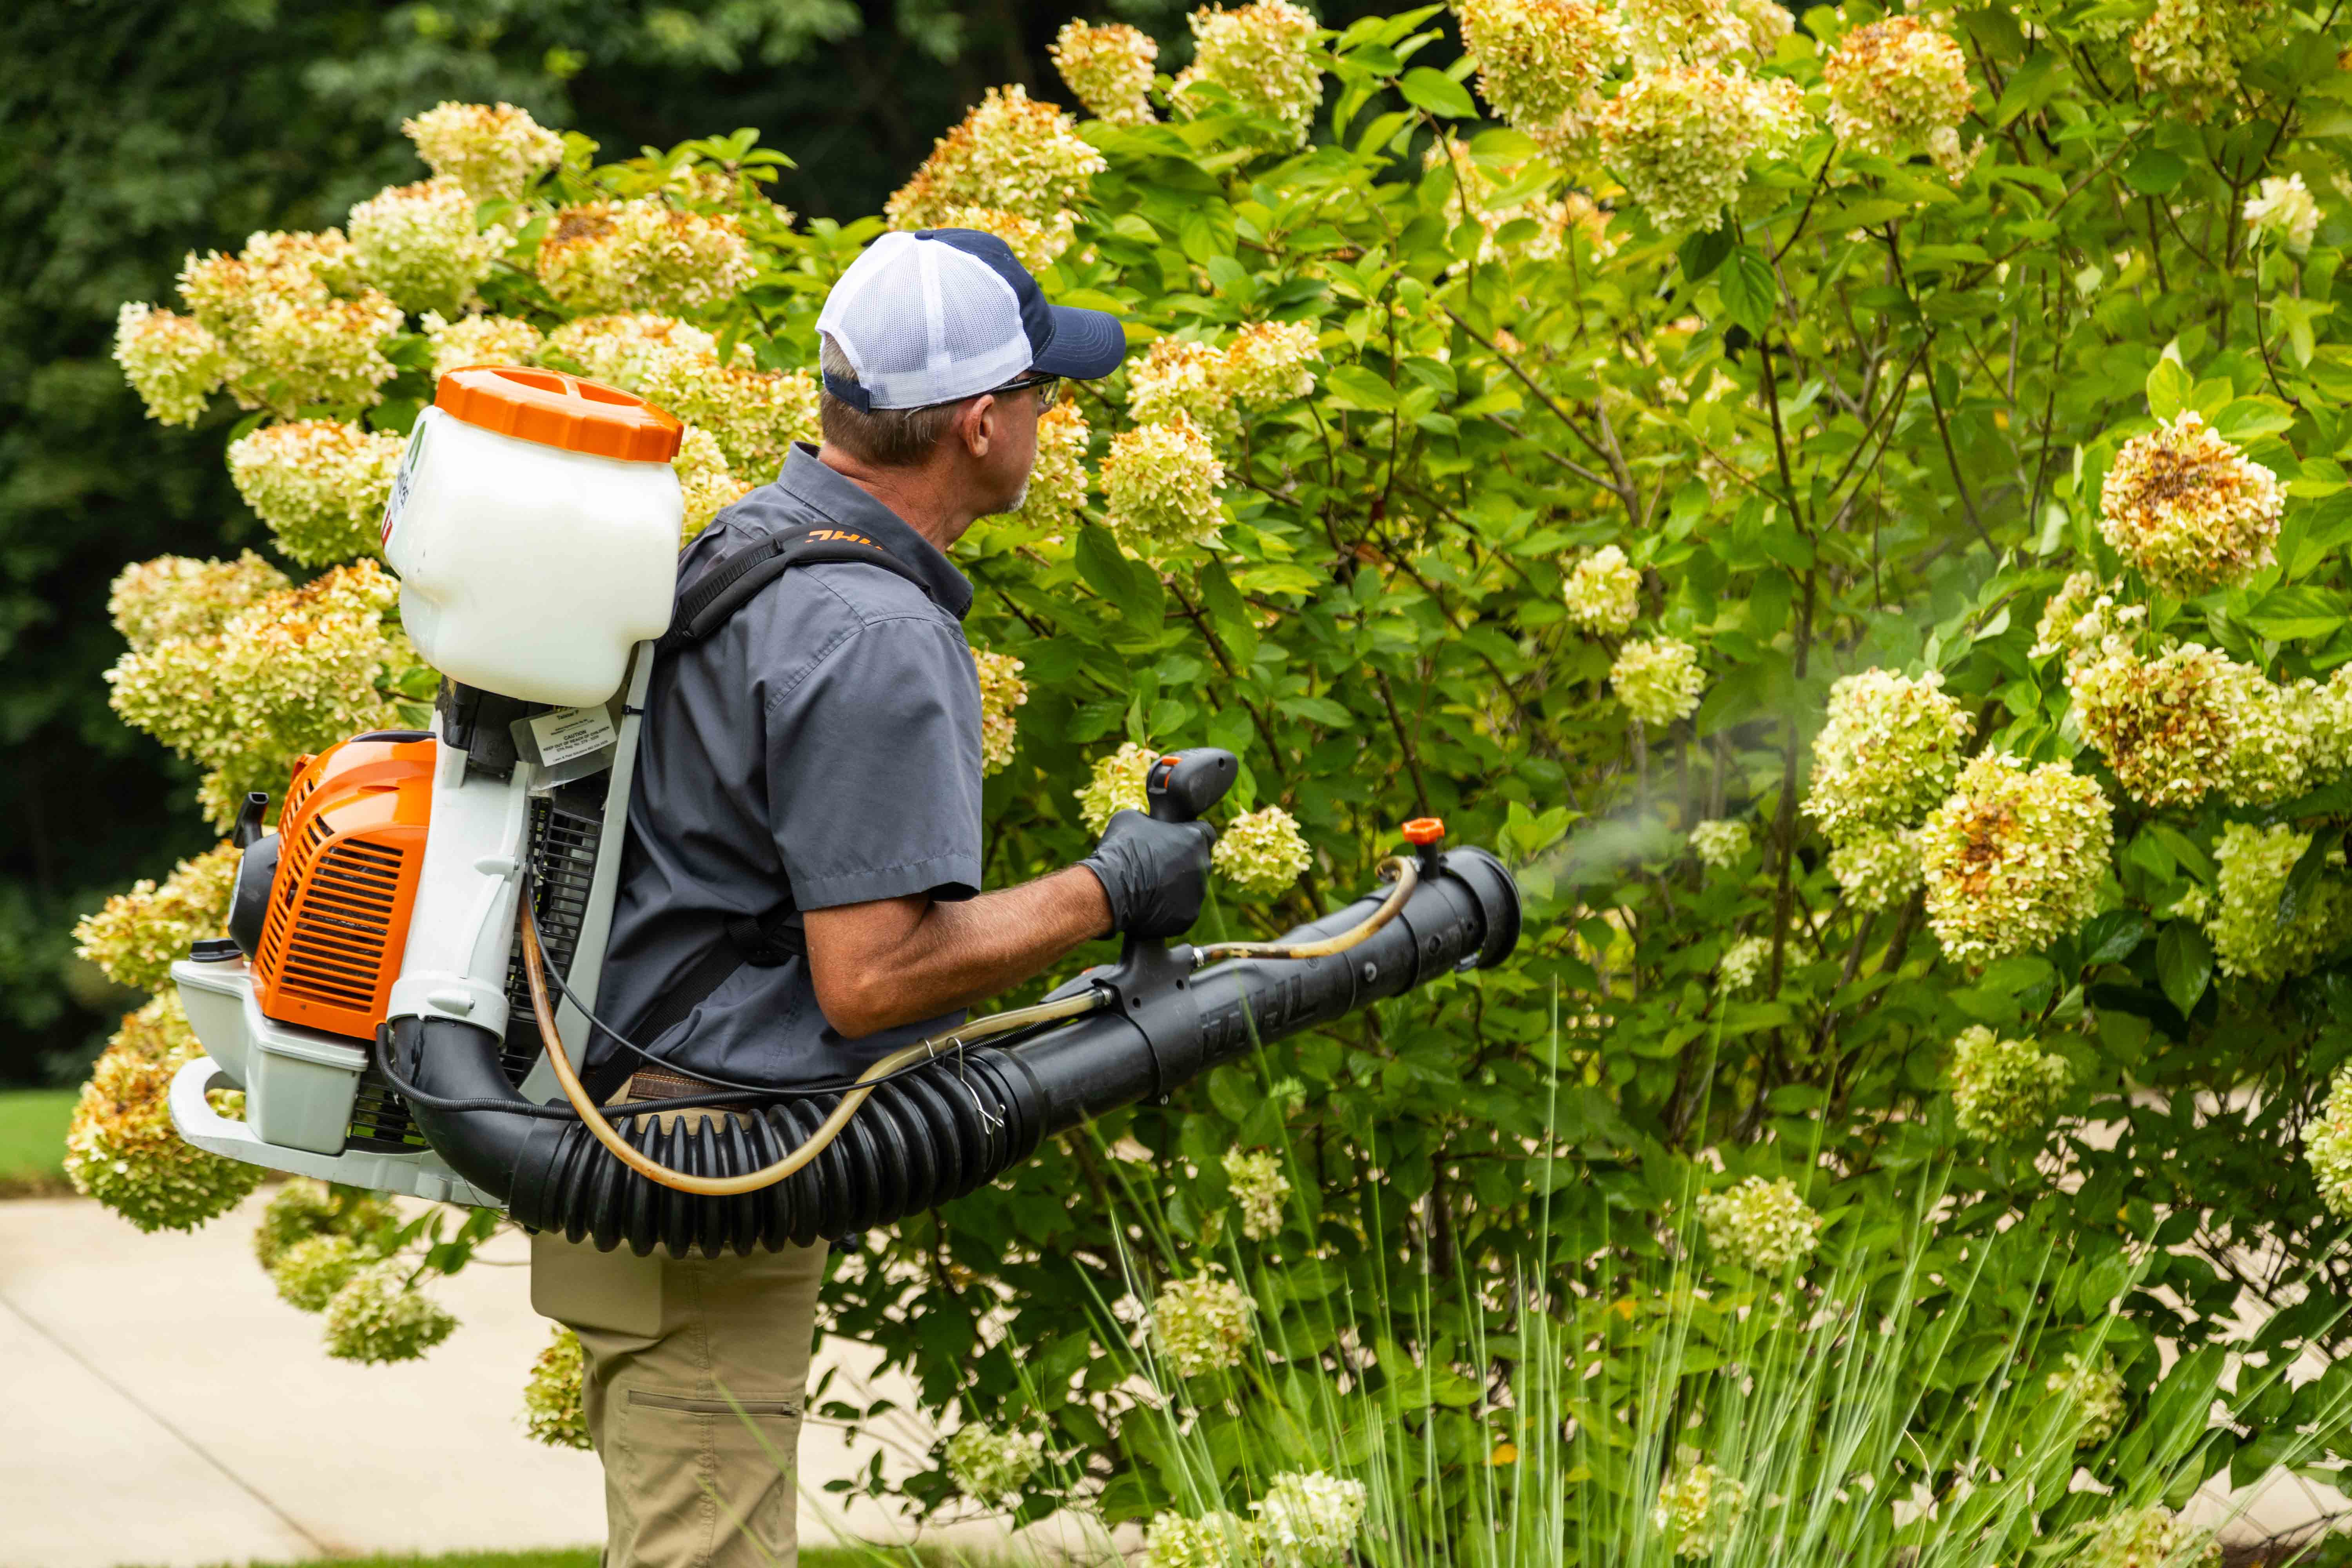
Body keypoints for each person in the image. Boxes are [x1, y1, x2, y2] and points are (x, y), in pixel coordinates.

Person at [527, 228, 1218, 1568]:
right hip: (704, 1169)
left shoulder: (754, 540)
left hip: (647, 1132)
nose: (1043, 419)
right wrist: (1109, 887)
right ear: (977, 423)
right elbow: (874, 976)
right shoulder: (876, 630)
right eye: (1038, 396)